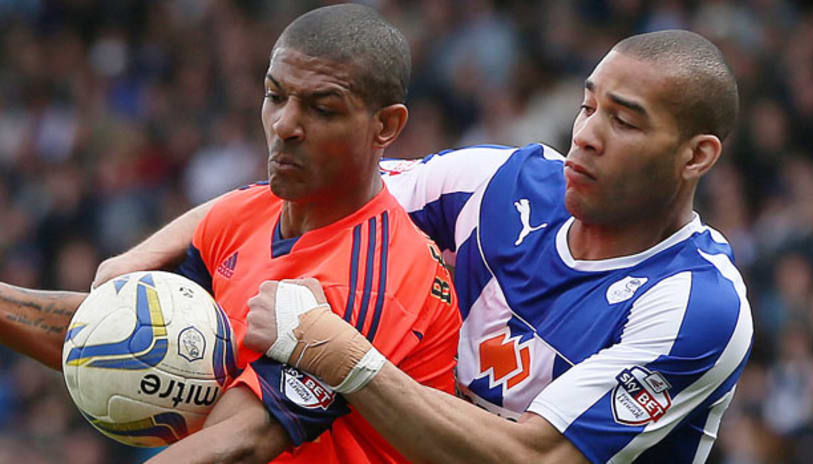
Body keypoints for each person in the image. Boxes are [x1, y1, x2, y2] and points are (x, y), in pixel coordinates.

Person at [241, 29, 753, 463]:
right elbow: (301, 199)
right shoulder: (502, 184)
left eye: (623, 121)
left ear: (697, 156)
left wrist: (340, 354)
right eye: (587, 106)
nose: (585, 136)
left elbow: (534, 455)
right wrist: (156, 264)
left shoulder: (696, 304)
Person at [0, 4, 461, 464]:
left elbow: (239, 442)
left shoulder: (377, 275)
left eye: (321, 108)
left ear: (386, 125)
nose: (284, 125)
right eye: (275, 96)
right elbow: (112, 329)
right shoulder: (241, 213)